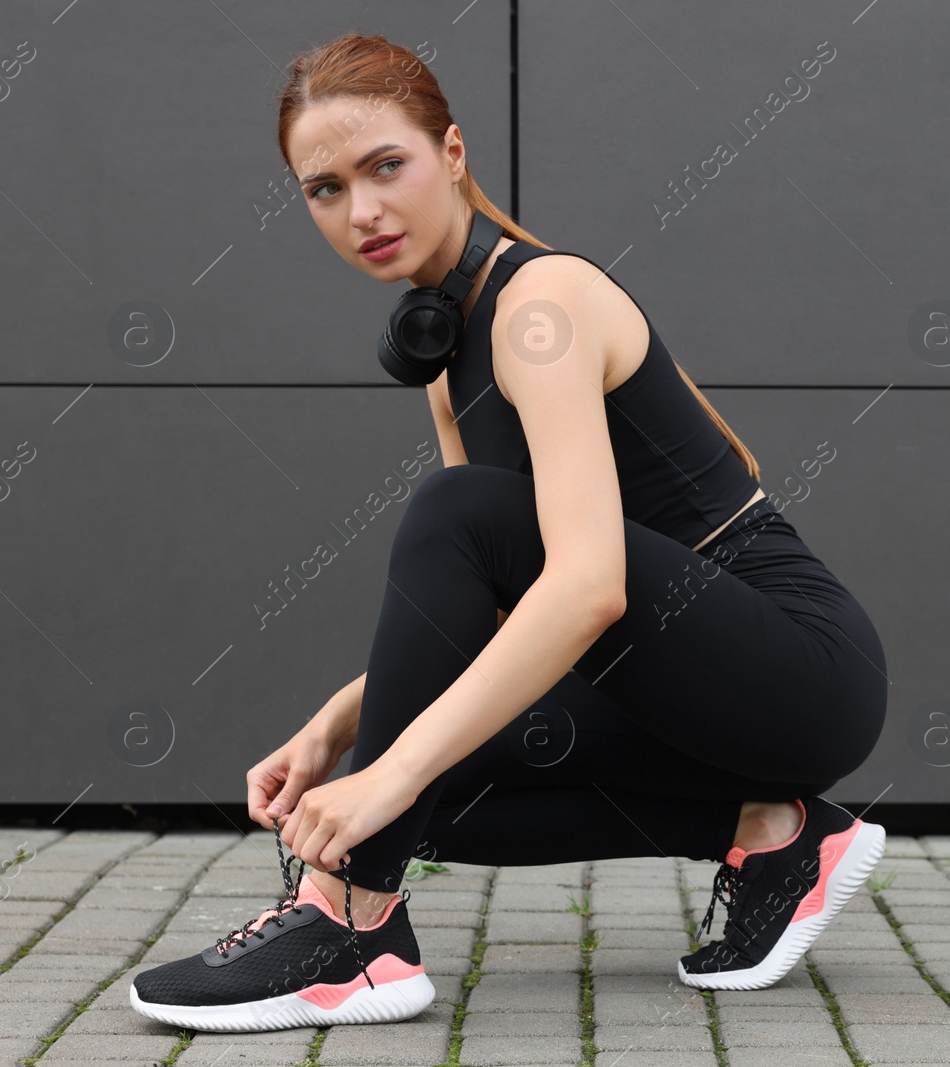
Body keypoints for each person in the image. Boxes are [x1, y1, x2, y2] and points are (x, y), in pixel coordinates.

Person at [128, 32, 888, 1033]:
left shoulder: (541, 307)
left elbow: (587, 587)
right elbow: (484, 612)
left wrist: (385, 777)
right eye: (324, 189)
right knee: (428, 770)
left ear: (451, 154)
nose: (362, 211)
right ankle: (774, 834)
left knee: (414, 713)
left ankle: (348, 929)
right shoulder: (449, 354)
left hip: (796, 671)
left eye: (384, 166)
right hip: (675, 693)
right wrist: (338, 731)